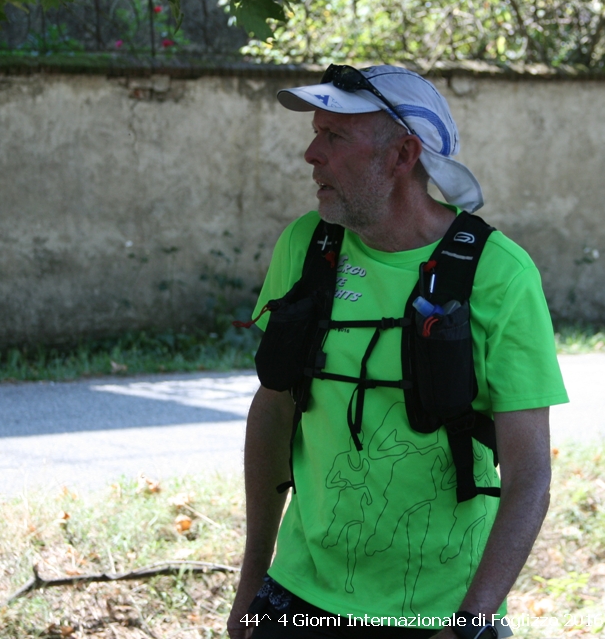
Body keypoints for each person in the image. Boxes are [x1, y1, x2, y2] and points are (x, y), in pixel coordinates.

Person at [227, 65, 568, 639]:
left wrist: (471, 622)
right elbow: (274, 410)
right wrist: (252, 582)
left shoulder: (500, 274)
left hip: (438, 610)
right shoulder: (307, 246)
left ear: (403, 154)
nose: (312, 154)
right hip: (297, 592)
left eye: (336, 136)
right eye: (316, 132)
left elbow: (529, 475)